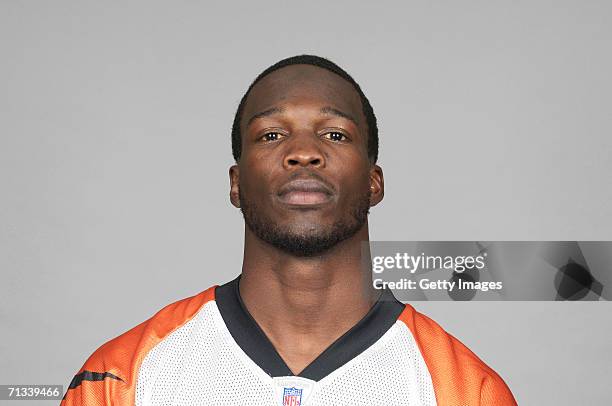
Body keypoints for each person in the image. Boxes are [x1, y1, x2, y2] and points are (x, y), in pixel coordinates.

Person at [61, 55, 517, 405]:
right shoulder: (122, 378)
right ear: (236, 184)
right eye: (271, 135)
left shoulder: (464, 390)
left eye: (335, 134)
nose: (303, 152)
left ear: (374, 182)